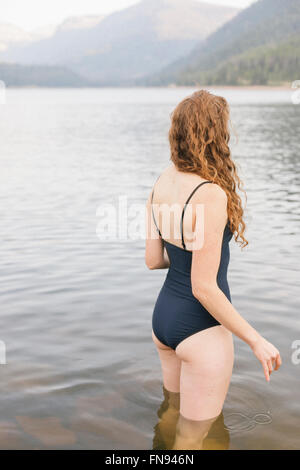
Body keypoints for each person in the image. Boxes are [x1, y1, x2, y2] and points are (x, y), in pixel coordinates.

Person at [145, 90, 281, 425]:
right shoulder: (211, 195)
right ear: (215, 136)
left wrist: (185, 262)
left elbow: (152, 260)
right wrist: (256, 340)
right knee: (196, 437)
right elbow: (204, 287)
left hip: (163, 320)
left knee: (171, 417)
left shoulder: (162, 181)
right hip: (200, 328)